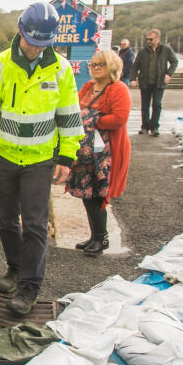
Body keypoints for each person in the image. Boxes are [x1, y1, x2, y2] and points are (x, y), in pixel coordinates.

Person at [0, 1, 83, 316]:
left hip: (39, 160)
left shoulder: (61, 70)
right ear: (20, 33)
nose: (35, 49)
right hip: (3, 157)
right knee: (6, 221)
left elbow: (70, 118)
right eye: (31, 42)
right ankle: (15, 268)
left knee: (35, 224)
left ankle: (30, 287)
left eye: (42, 44)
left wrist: (66, 157)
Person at [65, 49, 132, 256]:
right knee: (87, 192)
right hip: (85, 149)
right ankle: (94, 236)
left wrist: (91, 119)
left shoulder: (118, 89)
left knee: (98, 192)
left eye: (100, 65)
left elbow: (119, 119)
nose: (94, 68)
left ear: (111, 66)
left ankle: (102, 238)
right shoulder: (87, 87)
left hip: (105, 150)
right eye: (92, 65)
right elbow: (74, 108)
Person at [130, 29, 178, 136]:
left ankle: (155, 126)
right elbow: (135, 66)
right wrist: (133, 78)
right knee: (145, 105)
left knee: (157, 104)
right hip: (145, 82)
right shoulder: (143, 52)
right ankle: (145, 126)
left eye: (150, 39)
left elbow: (174, 61)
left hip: (159, 82)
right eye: (147, 39)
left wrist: (169, 74)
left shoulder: (166, 50)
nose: (148, 41)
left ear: (158, 38)